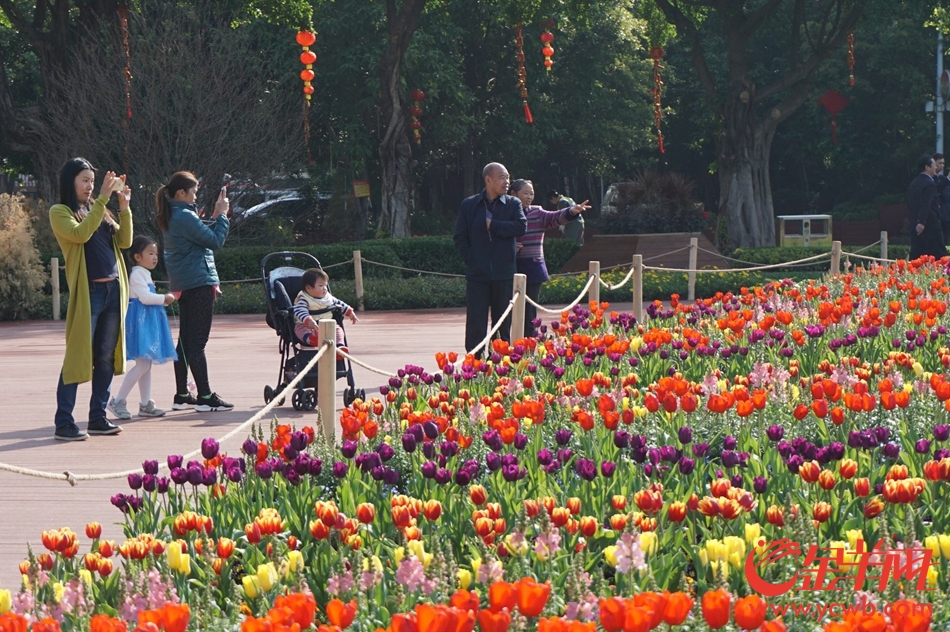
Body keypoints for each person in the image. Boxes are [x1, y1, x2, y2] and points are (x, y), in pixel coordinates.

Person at [49, 158, 133, 441]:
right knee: (77, 357)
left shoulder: (99, 209)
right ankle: (64, 423)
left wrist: (123, 208)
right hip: (90, 295)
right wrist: (103, 200)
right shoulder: (60, 211)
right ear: (70, 181)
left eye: (92, 181)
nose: (90, 186)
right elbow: (80, 235)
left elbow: (125, 243)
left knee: (105, 358)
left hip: (113, 292)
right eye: (84, 180)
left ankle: (98, 417)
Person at [156, 171, 233, 412]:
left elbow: (200, 236)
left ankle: (182, 394)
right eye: (194, 192)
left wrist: (214, 216)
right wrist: (222, 216)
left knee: (186, 341)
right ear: (181, 193)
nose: (195, 196)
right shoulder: (185, 216)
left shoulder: (174, 214)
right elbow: (215, 242)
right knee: (197, 343)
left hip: (184, 284)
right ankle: (206, 396)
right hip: (198, 283)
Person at [454, 162, 527, 354]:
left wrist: (493, 225)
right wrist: (471, 258)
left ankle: (498, 363)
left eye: (508, 178)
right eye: (502, 177)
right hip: (477, 274)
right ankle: (474, 364)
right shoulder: (469, 205)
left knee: (502, 322)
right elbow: (460, 237)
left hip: (504, 273)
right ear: (488, 180)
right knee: (476, 322)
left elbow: (521, 227)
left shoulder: (513, 204)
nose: (507, 182)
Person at [108, 236, 178, 419]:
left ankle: (146, 404)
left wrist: (162, 300)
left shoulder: (144, 273)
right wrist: (165, 298)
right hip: (140, 323)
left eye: (156, 253)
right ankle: (118, 400)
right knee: (143, 364)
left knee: (145, 364)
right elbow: (145, 298)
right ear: (138, 256)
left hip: (146, 321)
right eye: (150, 253)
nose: (155, 257)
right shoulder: (138, 273)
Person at [511, 179, 589, 335]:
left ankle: (528, 342)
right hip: (510, 268)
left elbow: (555, 217)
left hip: (532, 268)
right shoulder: (505, 213)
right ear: (513, 194)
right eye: (525, 193)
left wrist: (572, 211)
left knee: (529, 311)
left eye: (531, 193)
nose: (529, 197)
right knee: (509, 309)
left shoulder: (537, 212)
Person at [293, 267, 358, 354]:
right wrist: (308, 321)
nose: (325, 288)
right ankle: (311, 339)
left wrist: (349, 311)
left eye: (325, 285)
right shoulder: (304, 299)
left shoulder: (327, 297)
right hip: (308, 325)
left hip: (327, 324)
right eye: (321, 286)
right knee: (301, 330)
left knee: (338, 330)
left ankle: (340, 347)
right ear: (309, 288)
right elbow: (300, 311)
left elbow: (339, 303)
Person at [907, 155, 946, 260]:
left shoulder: (913, 183)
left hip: (915, 225)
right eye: (934, 164)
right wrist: (922, 222)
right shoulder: (929, 183)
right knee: (938, 256)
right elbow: (926, 204)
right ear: (927, 167)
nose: (936, 167)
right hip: (930, 226)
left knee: (917, 257)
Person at [934, 153, 950, 245]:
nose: (942, 166)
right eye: (940, 163)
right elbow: (935, 191)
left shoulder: (942, 178)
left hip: (946, 216)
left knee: (945, 240)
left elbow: (946, 194)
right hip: (936, 216)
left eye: (943, 163)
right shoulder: (930, 179)